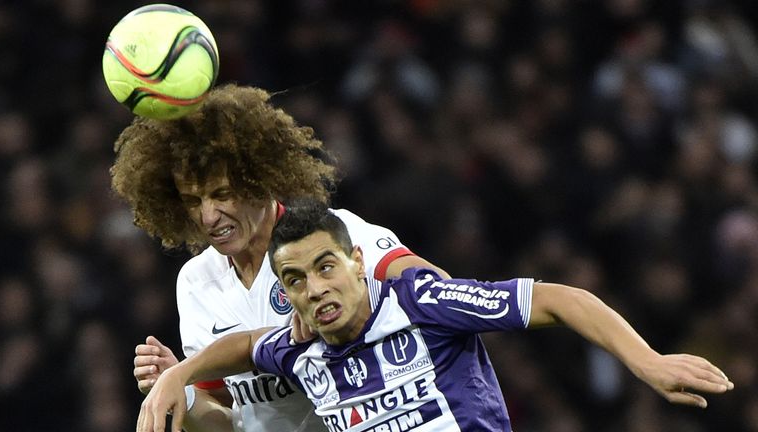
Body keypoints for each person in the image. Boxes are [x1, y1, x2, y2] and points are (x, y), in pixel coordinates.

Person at [136, 201, 735, 432]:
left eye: (326, 268)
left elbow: (557, 299)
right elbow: (240, 348)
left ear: (356, 261)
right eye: (295, 281)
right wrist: (177, 378)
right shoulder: (299, 347)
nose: (316, 288)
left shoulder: (420, 303)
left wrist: (647, 360)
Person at [110, 84, 449, 432]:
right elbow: (228, 417)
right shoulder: (195, 281)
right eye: (194, 201)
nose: (209, 216)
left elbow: (435, 287)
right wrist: (181, 386)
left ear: (260, 178)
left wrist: (354, 310)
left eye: (222, 194)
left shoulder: (329, 236)